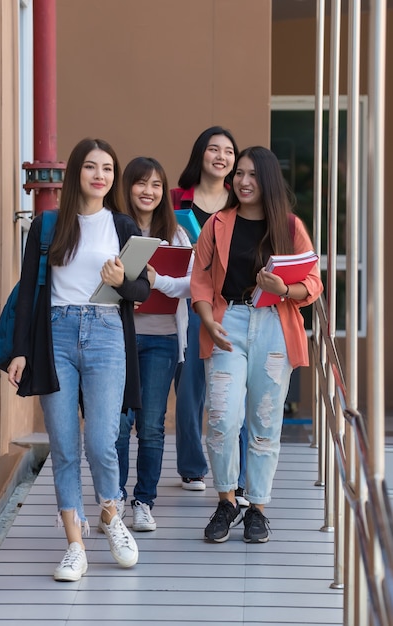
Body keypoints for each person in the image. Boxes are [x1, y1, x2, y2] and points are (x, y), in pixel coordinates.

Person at [7, 138, 150, 581]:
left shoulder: (123, 225)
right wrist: (20, 350)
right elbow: (28, 291)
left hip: (107, 333)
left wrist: (123, 280)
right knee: (65, 446)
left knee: (102, 441)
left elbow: (142, 291)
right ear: (76, 174)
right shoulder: (48, 227)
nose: (100, 175)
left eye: (108, 168)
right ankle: (74, 543)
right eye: (91, 167)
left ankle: (110, 512)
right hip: (55, 334)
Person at [190, 146, 323, 543]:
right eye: (240, 174)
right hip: (227, 322)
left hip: (273, 325)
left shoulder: (289, 225)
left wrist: (284, 287)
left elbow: (314, 282)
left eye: (252, 175)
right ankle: (227, 500)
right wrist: (208, 319)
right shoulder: (217, 223)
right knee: (221, 419)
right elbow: (199, 277)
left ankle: (258, 509)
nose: (244, 182)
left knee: (265, 423)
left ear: (267, 180)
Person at [116, 156, 193, 531]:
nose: (149, 191)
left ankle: (143, 501)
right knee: (117, 424)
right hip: (119, 336)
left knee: (150, 425)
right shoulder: (112, 228)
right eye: (141, 183)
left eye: (156, 185)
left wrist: (156, 279)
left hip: (162, 339)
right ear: (127, 187)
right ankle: (111, 501)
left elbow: (192, 285)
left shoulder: (176, 234)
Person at [171, 125, 248, 493]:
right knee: (190, 387)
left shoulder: (243, 202)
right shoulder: (174, 201)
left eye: (229, 152)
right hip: (187, 298)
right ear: (200, 154)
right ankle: (191, 466)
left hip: (231, 303)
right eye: (214, 149)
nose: (222, 157)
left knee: (235, 390)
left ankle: (241, 473)